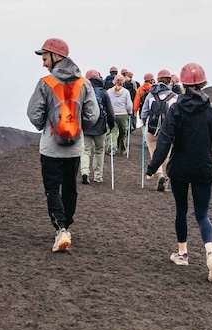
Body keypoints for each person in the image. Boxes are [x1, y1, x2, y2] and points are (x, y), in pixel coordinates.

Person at [145, 62, 212, 282]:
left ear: (182, 84)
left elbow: (164, 140)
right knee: (202, 214)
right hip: (204, 168)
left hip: (180, 168)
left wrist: (153, 168)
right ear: (203, 83)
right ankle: (210, 253)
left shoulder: (176, 109)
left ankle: (182, 254)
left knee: (181, 210)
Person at [27, 38, 99, 252]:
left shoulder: (45, 83)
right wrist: (77, 128)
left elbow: (34, 114)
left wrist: (46, 126)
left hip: (50, 148)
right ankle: (66, 225)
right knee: (70, 188)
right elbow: (93, 115)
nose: (43, 62)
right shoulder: (84, 83)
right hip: (75, 147)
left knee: (52, 189)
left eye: (45, 57)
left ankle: (61, 229)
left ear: (56, 56)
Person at [139, 69, 178, 191]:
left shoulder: (151, 95)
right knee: (166, 153)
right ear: (169, 80)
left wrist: (144, 121)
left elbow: (144, 113)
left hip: (152, 128)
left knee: (154, 151)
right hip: (168, 129)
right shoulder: (174, 96)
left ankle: (159, 173)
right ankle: (166, 177)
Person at [80, 70, 115, 184]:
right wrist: (111, 125)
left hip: (86, 126)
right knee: (99, 151)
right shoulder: (103, 92)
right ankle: (97, 176)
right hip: (100, 127)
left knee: (85, 150)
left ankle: (85, 172)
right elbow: (110, 111)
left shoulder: (83, 91)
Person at [105, 74, 133, 155]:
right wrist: (130, 112)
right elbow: (129, 104)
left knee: (112, 131)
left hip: (112, 114)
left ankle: (112, 148)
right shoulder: (126, 92)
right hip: (123, 114)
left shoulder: (109, 91)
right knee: (123, 132)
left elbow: (107, 103)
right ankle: (122, 149)